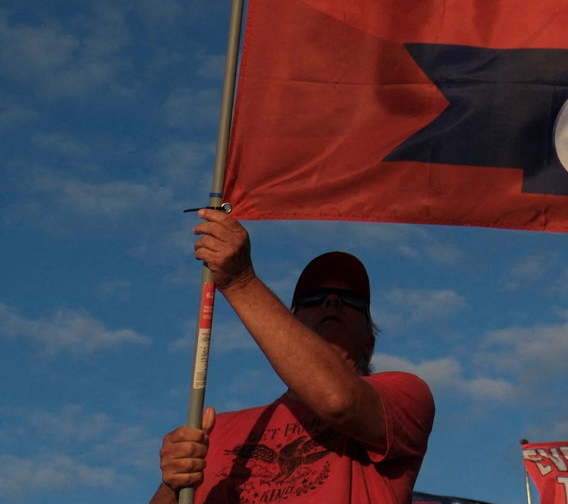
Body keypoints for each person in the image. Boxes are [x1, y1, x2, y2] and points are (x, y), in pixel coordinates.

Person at [151, 210, 433, 504]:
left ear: (369, 344)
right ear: (291, 324)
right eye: (313, 298)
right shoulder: (215, 431)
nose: (332, 301)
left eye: (351, 301)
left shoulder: (407, 397)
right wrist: (172, 485)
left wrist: (240, 281)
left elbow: (337, 401)